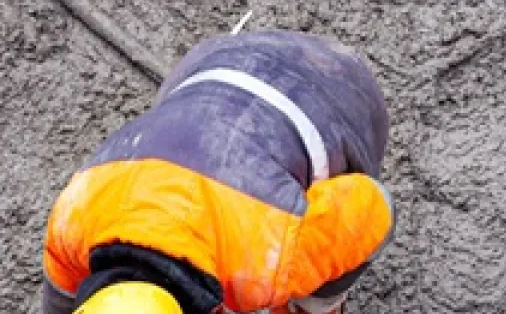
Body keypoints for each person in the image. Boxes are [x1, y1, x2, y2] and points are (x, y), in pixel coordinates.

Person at [41, 31, 394, 314]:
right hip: (212, 59)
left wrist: (315, 301)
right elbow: (58, 298)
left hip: (337, 88)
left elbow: (376, 209)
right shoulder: (70, 223)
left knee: (313, 286)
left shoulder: (270, 261)